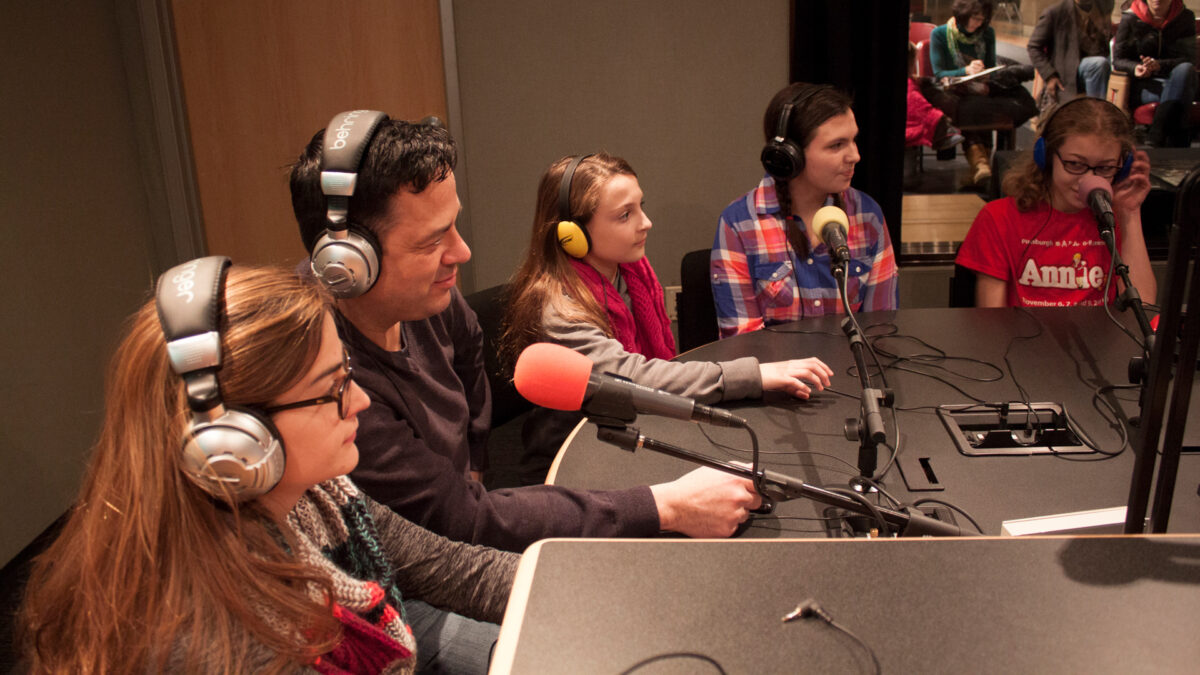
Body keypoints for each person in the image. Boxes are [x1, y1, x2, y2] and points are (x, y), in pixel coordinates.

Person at [289, 112, 762, 554]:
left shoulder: (429, 295)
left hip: (465, 510)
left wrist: (475, 458)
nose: (462, 252)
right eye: (433, 240)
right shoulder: (327, 383)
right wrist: (667, 506)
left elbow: (471, 355)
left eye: (454, 226)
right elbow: (464, 524)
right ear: (347, 264)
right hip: (421, 564)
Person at [18, 261, 517, 673]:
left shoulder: (317, 496)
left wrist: (577, 586)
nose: (360, 401)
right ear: (233, 442)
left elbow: (448, 567)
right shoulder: (221, 647)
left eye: (349, 373)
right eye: (333, 388)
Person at [499, 153, 834, 483]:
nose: (646, 222)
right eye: (625, 215)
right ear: (571, 235)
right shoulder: (560, 309)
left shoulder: (631, 274)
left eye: (640, 206)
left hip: (618, 434)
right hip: (570, 462)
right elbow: (632, 379)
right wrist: (751, 376)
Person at [712, 82, 899, 339]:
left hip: (853, 375)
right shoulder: (739, 224)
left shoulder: (867, 215)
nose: (855, 155)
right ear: (790, 155)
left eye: (854, 140)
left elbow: (880, 331)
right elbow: (743, 347)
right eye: (837, 145)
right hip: (775, 378)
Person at [956, 97, 1157, 307]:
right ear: (1047, 156)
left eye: (1105, 168)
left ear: (1122, 167)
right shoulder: (999, 218)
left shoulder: (1112, 218)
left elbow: (1142, 310)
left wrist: (1130, 214)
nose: (1088, 179)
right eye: (1075, 164)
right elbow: (992, 323)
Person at [927, 0, 1039, 186]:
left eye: (982, 19)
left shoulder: (987, 33)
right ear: (963, 15)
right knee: (971, 105)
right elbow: (939, 73)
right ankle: (980, 164)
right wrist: (965, 71)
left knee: (993, 102)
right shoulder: (940, 34)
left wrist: (984, 73)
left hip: (981, 87)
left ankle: (982, 166)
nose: (979, 24)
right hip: (954, 89)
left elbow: (991, 69)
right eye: (975, 19)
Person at [1112, 0, 1197, 147]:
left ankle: (1156, 133)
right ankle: (1177, 138)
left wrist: (1159, 65)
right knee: (1184, 94)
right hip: (1144, 85)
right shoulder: (1130, 18)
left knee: (1185, 70)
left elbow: (1189, 58)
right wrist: (1136, 68)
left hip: (1175, 79)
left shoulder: (1185, 17)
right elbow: (1118, 60)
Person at [1027, 0, 1116, 107]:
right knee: (1098, 64)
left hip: (1095, 65)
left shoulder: (1102, 8)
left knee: (1107, 62)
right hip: (1068, 73)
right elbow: (1034, 47)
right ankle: (1094, 112)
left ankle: (1101, 113)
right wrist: (1049, 75)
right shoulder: (1056, 12)